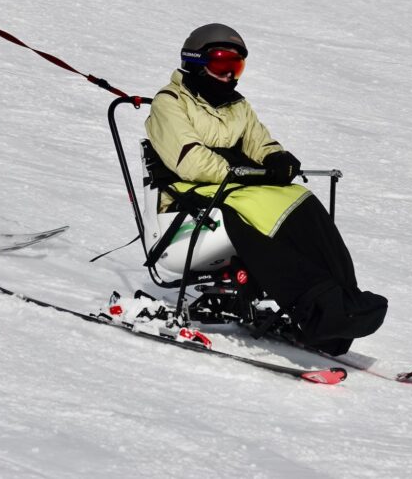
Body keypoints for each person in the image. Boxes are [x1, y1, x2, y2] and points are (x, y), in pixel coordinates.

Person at [144, 23, 387, 355]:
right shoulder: (169, 103)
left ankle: (343, 300)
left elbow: (260, 142)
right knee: (261, 210)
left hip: (231, 188)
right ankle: (316, 306)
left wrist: (278, 159)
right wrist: (249, 174)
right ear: (196, 62)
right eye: (221, 64)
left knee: (300, 199)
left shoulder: (236, 106)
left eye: (236, 66)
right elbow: (192, 162)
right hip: (187, 198)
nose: (230, 75)